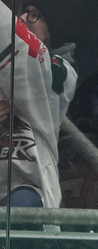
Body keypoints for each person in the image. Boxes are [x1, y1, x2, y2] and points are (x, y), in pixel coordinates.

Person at [0, 1, 78, 212]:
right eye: (22, 13)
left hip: (26, 189)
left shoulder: (62, 73)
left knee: (23, 206)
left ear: (53, 30)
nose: (24, 18)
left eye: (34, 14)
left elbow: (22, 50)